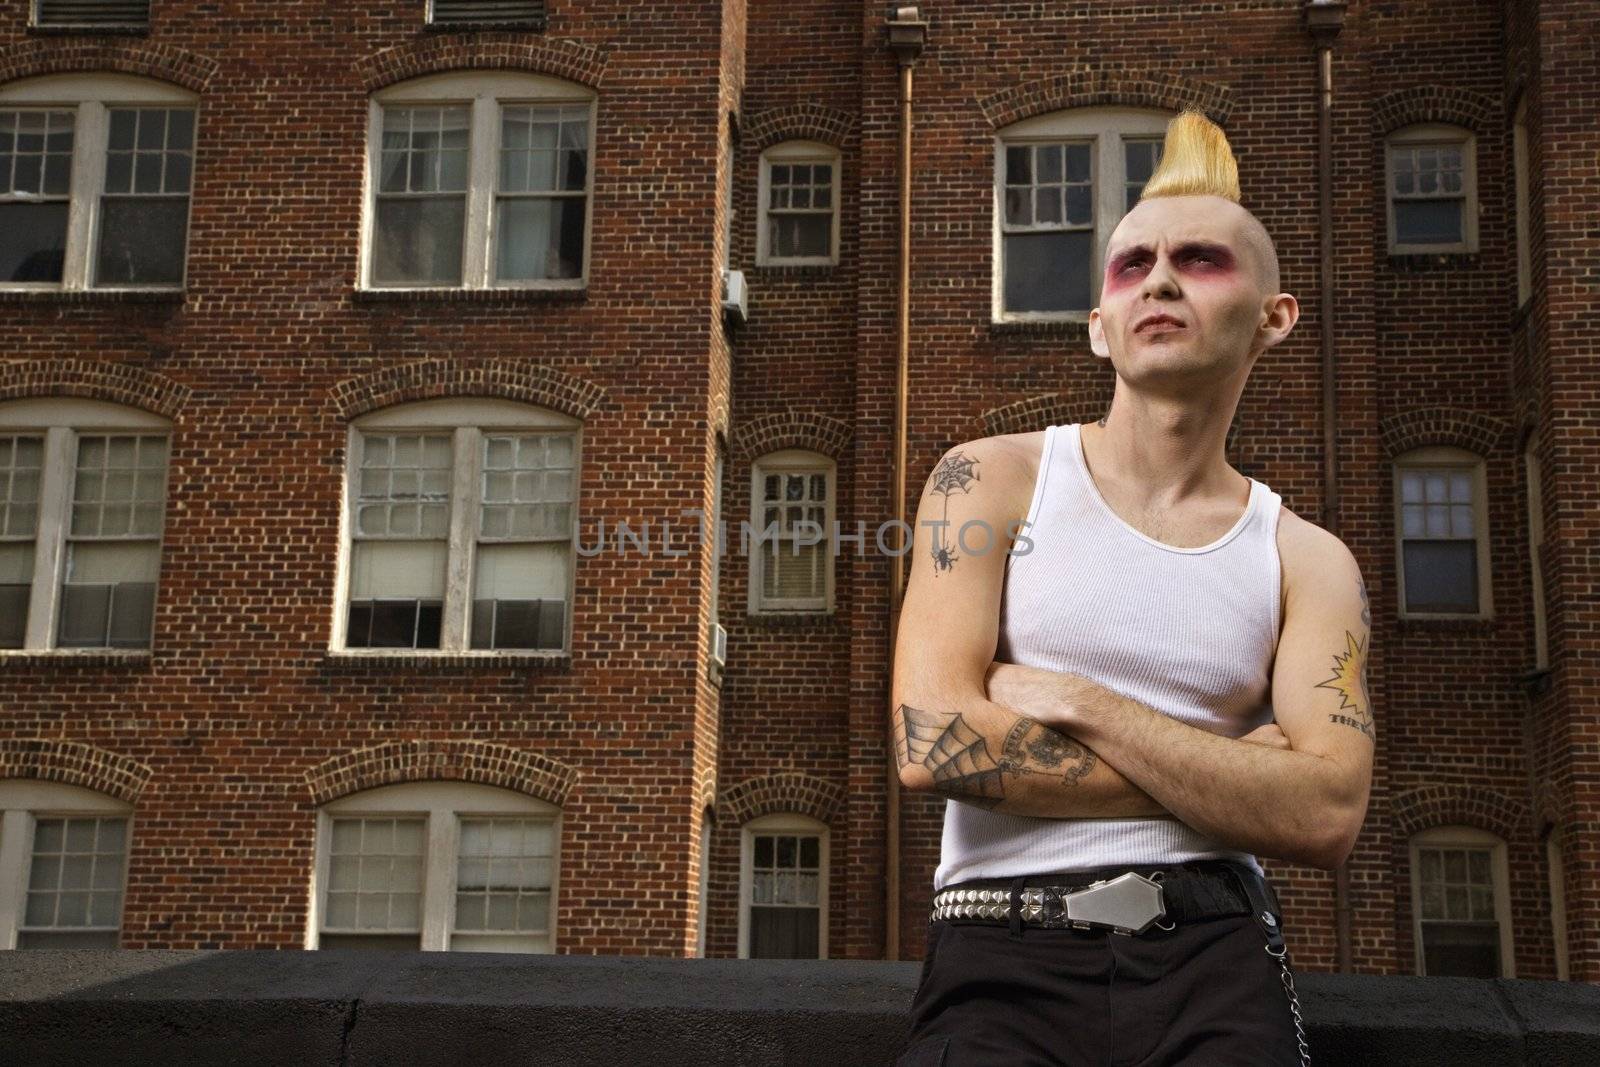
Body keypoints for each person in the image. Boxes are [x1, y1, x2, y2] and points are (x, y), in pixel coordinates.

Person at [891, 110, 1375, 1066]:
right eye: (1131, 265)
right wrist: (1238, 773)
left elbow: (1325, 815)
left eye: (1200, 259)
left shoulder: (1307, 558)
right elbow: (932, 741)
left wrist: (1072, 701)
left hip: (1218, 956)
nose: (1158, 279)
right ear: (1099, 327)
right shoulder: (986, 480)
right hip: (1002, 950)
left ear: (1274, 316)